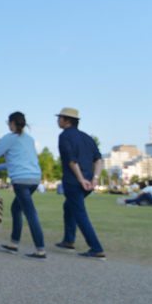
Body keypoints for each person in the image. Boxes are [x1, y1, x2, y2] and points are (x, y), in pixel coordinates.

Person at [0, 111, 46, 260]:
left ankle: (40, 251)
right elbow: (14, 162)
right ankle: (13, 244)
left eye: (8, 122)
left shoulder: (9, 138)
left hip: (21, 181)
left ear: (13, 122)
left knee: (30, 213)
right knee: (16, 208)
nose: (8, 124)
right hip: (34, 179)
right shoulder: (29, 139)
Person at [53, 107, 106, 260]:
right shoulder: (87, 137)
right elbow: (98, 159)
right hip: (88, 182)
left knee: (80, 214)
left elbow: (71, 159)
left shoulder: (64, 136)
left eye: (59, 118)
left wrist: (80, 179)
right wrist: (94, 178)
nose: (58, 121)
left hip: (74, 181)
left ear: (67, 120)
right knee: (68, 207)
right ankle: (69, 241)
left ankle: (96, 249)